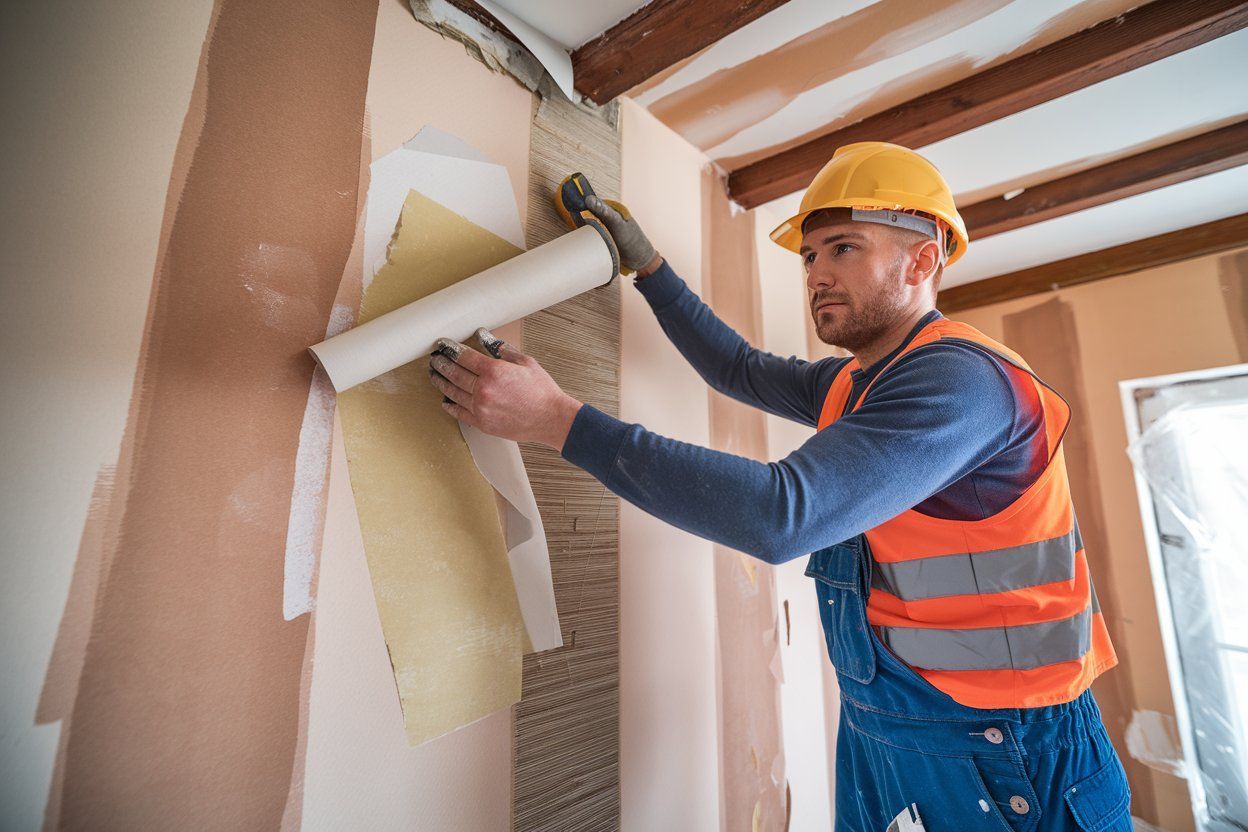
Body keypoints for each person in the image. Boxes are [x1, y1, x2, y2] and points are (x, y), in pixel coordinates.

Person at [428, 142, 1131, 830]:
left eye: (844, 248)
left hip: (1010, 748)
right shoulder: (858, 382)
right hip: (890, 723)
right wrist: (650, 269)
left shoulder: (963, 383)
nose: (817, 273)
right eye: (810, 255)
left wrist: (559, 421)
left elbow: (780, 516)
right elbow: (737, 368)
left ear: (923, 259)